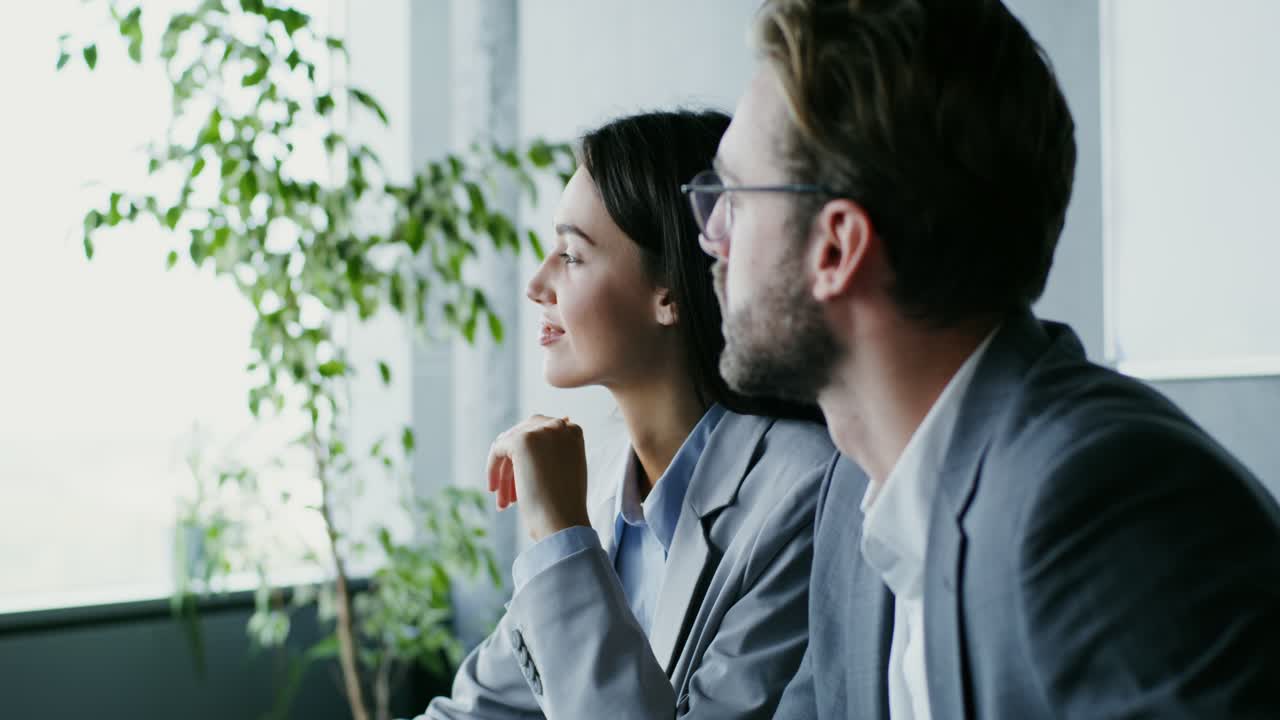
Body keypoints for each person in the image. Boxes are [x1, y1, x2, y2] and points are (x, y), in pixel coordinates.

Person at [679, 1, 1280, 718]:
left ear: (836, 248)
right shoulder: (854, 495)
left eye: (735, 198)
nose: (711, 235)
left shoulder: (1102, 503)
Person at [417, 109, 837, 720]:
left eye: (572, 255)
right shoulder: (607, 496)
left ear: (668, 292)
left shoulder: (807, 495)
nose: (537, 283)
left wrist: (560, 535)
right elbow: (479, 710)